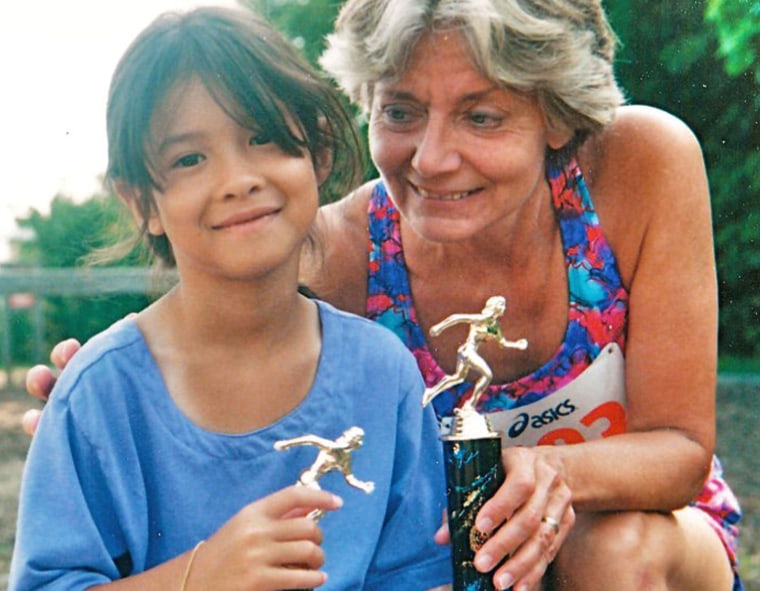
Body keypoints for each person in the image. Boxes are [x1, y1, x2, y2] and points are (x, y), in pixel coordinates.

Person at [24, 1, 744, 590]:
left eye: (481, 115)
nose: (431, 159)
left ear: (556, 114)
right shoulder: (331, 251)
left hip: (637, 537)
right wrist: (103, 385)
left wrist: (546, 473)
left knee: (610, 551)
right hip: (463, 558)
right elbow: (217, 325)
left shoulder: (638, 163)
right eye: (399, 112)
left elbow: (681, 446)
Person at [10, 7, 452, 591]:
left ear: (317, 153)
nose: (238, 178)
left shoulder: (382, 372)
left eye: (263, 137)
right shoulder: (100, 393)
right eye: (189, 158)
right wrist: (201, 575)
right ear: (141, 200)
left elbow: (421, 576)